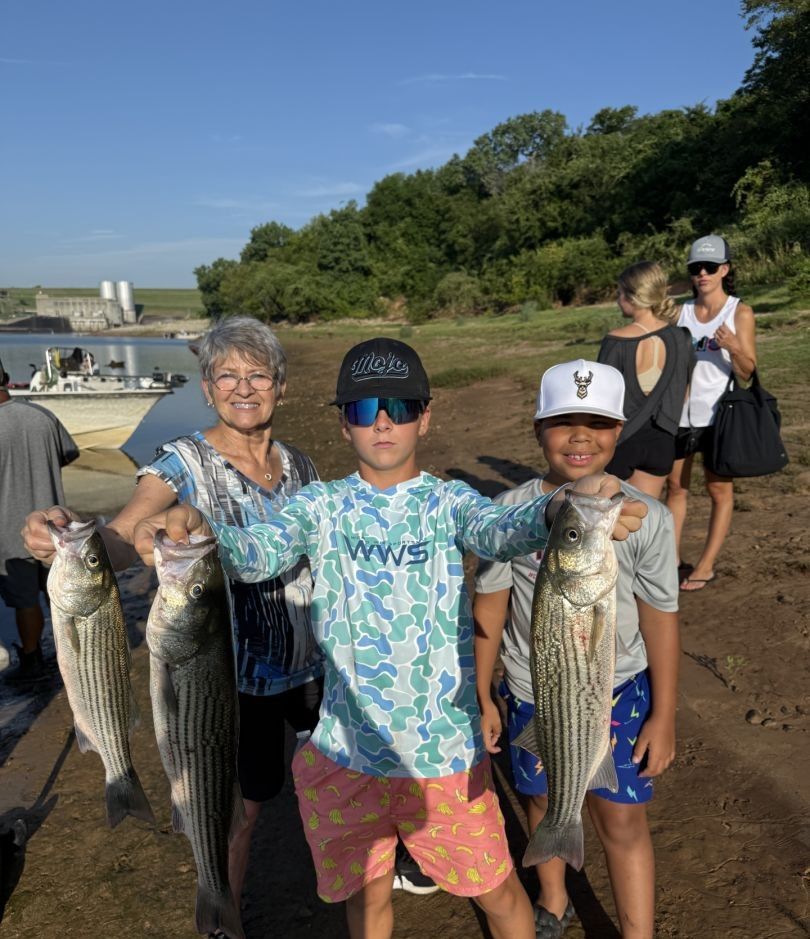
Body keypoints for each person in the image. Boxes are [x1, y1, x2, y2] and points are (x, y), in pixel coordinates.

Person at [130, 338, 648, 939]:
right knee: (367, 902)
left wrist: (566, 508)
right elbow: (254, 553)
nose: (382, 421)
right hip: (343, 757)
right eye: (363, 408)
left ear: (424, 417)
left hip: (446, 760)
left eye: (399, 407)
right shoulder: (318, 506)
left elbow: (505, 528)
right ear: (343, 422)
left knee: (500, 894)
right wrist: (202, 530)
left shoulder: (451, 501)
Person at [21, 317, 324, 927]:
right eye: (226, 376)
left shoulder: (301, 466)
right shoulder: (182, 461)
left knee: (332, 773)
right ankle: (221, 909)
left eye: (258, 374)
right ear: (206, 389)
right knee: (240, 806)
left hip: (311, 662)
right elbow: (129, 527)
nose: (243, 388)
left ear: (281, 387)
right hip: (231, 679)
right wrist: (70, 540)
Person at [473, 359, 680, 939]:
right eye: (563, 422)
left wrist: (664, 713)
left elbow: (661, 617)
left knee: (622, 818)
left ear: (620, 432)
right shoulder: (507, 514)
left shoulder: (648, 518)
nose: (580, 436)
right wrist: (482, 694)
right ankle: (555, 901)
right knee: (542, 799)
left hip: (619, 690)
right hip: (529, 689)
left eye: (598, 423)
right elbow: (487, 606)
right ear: (538, 430)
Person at [665, 236, 757, 591]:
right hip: (681, 417)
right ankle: (670, 561)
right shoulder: (680, 313)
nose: (702, 274)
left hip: (721, 416)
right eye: (695, 268)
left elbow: (748, 372)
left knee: (719, 490)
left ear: (725, 270)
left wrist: (733, 345)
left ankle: (705, 565)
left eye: (709, 267)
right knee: (675, 488)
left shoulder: (739, 312)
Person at [0, 358, 78, 682]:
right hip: (55, 527)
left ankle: (32, 658)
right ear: (5, 378)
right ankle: (74, 658)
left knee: (24, 602)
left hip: (7, 534)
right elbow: (70, 453)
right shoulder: (42, 414)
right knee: (62, 597)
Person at [598, 261, 695, 499]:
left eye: (620, 293)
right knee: (642, 519)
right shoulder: (681, 337)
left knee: (609, 521)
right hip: (662, 440)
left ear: (633, 296)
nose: (618, 299)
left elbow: (601, 399)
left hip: (622, 440)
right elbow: (684, 392)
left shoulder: (615, 341)